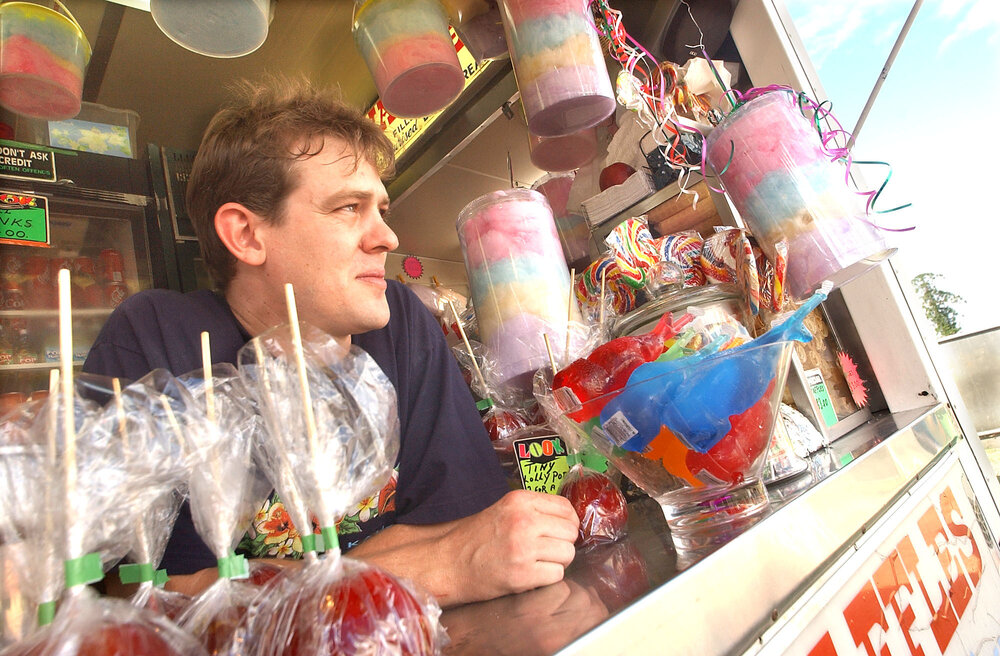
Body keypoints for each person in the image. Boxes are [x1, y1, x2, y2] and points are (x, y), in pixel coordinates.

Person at [83, 75, 579, 607]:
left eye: (381, 210)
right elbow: (147, 595)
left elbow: (462, 522)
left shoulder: (401, 324)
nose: (387, 237)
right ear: (247, 235)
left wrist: (249, 580)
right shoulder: (154, 338)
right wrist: (442, 565)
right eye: (349, 208)